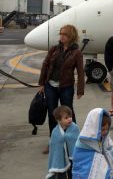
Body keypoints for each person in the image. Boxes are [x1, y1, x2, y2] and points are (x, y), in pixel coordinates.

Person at [39, 24, 85, 154]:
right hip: (50, 86)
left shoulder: (77, 53)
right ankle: (53, 141)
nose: (62, 36)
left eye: (65, 34)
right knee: (52, 114)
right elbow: (45, 65)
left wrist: (80, 89)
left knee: (68, 113)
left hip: (66, 87)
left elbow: (81, 72)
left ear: (71, 36)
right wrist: (42, 83)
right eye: (61, 34)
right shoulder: (54, 49)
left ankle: (74, 139)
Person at [72, 108, 113, 179]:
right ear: (94, 128)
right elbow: (81, 158)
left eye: (107, 129)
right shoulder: (84, 140)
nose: (105, 132)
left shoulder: (104, 137)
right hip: (84, 167)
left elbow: (109, 148)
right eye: (102, 129)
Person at [46, 106, 80, 179]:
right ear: (59, 120)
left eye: (70, 116)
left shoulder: (75, 128)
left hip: (72, 157)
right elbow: (53, 147)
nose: (69, 119)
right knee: (61, 174)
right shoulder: (55, 132)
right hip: (60, 157)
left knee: (73, 174)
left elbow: (79, 142)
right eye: (66, 118)